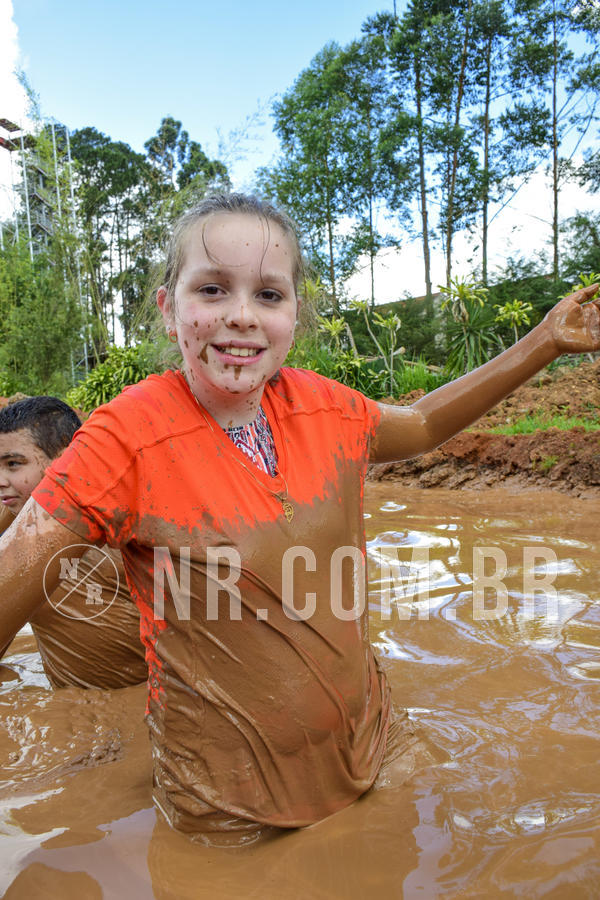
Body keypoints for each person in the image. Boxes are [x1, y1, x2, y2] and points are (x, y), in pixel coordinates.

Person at [0, 194, 598, 844]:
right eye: (212, 288)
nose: (240, 316)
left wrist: (546, 342)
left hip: (373, 753)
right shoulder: (125, 439)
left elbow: (423, 423)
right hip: (229, 806)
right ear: (170, 309)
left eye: (268, 295)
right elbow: (18, 563)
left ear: (294, 314)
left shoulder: (323, 405)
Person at [0, 396, 147, 689]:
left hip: (141, 710)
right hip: (72, 709)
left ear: (69, 457)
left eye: (14, 464)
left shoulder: (132, 530)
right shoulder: (11, 518)